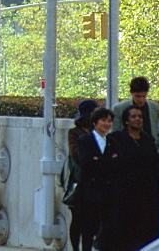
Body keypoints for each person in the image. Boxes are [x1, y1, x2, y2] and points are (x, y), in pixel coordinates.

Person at [102, 105, 159, 251]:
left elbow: (154, 164)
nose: (137, 119)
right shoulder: (116, 139)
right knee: (124, 233)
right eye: (133, 116)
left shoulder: (148, 139)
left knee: (146, 231)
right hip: (124, 194)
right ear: (126, 120)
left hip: (146, 193)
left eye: (140, 116)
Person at [74, 107, 116, 251]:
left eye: (109, 121)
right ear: (95, 122)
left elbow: (117, 165)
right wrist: (107, 161)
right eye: (103, 120)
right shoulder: (85, 140)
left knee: (107, 230)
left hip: (108, 193)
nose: (107, 124)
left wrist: (100, 160)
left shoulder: (113, 141)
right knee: (88, 230)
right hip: (89, 194)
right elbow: (87, 164)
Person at [66, 100, 97, 251]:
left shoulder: (97, 132)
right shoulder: (74, 133)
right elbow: (76, 154)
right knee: (77, 218)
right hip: (78, 180)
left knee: (92, 220)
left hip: (95, 181)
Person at [112, 76, 159, 146]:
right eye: (138, 96)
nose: (141, 100)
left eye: (144, 96)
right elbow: (115, 134)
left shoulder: (156, 108)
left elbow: (157, 133)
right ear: (131, 93)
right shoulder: (119, 109)